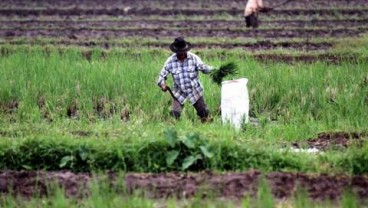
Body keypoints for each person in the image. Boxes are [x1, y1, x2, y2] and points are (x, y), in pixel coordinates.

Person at [157, 37, 213, 122]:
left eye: (183, 52)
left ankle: (206, 127)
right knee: (174, 114)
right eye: (179, 53)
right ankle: (176, 129)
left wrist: (216, 71)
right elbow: (161, 77)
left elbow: (204, 68)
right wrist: (163, 84)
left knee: (204, 113)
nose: (182, 54)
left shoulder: (194, 58)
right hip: (179, 91)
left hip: (194, 90)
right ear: (176, 52)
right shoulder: (170, 61)